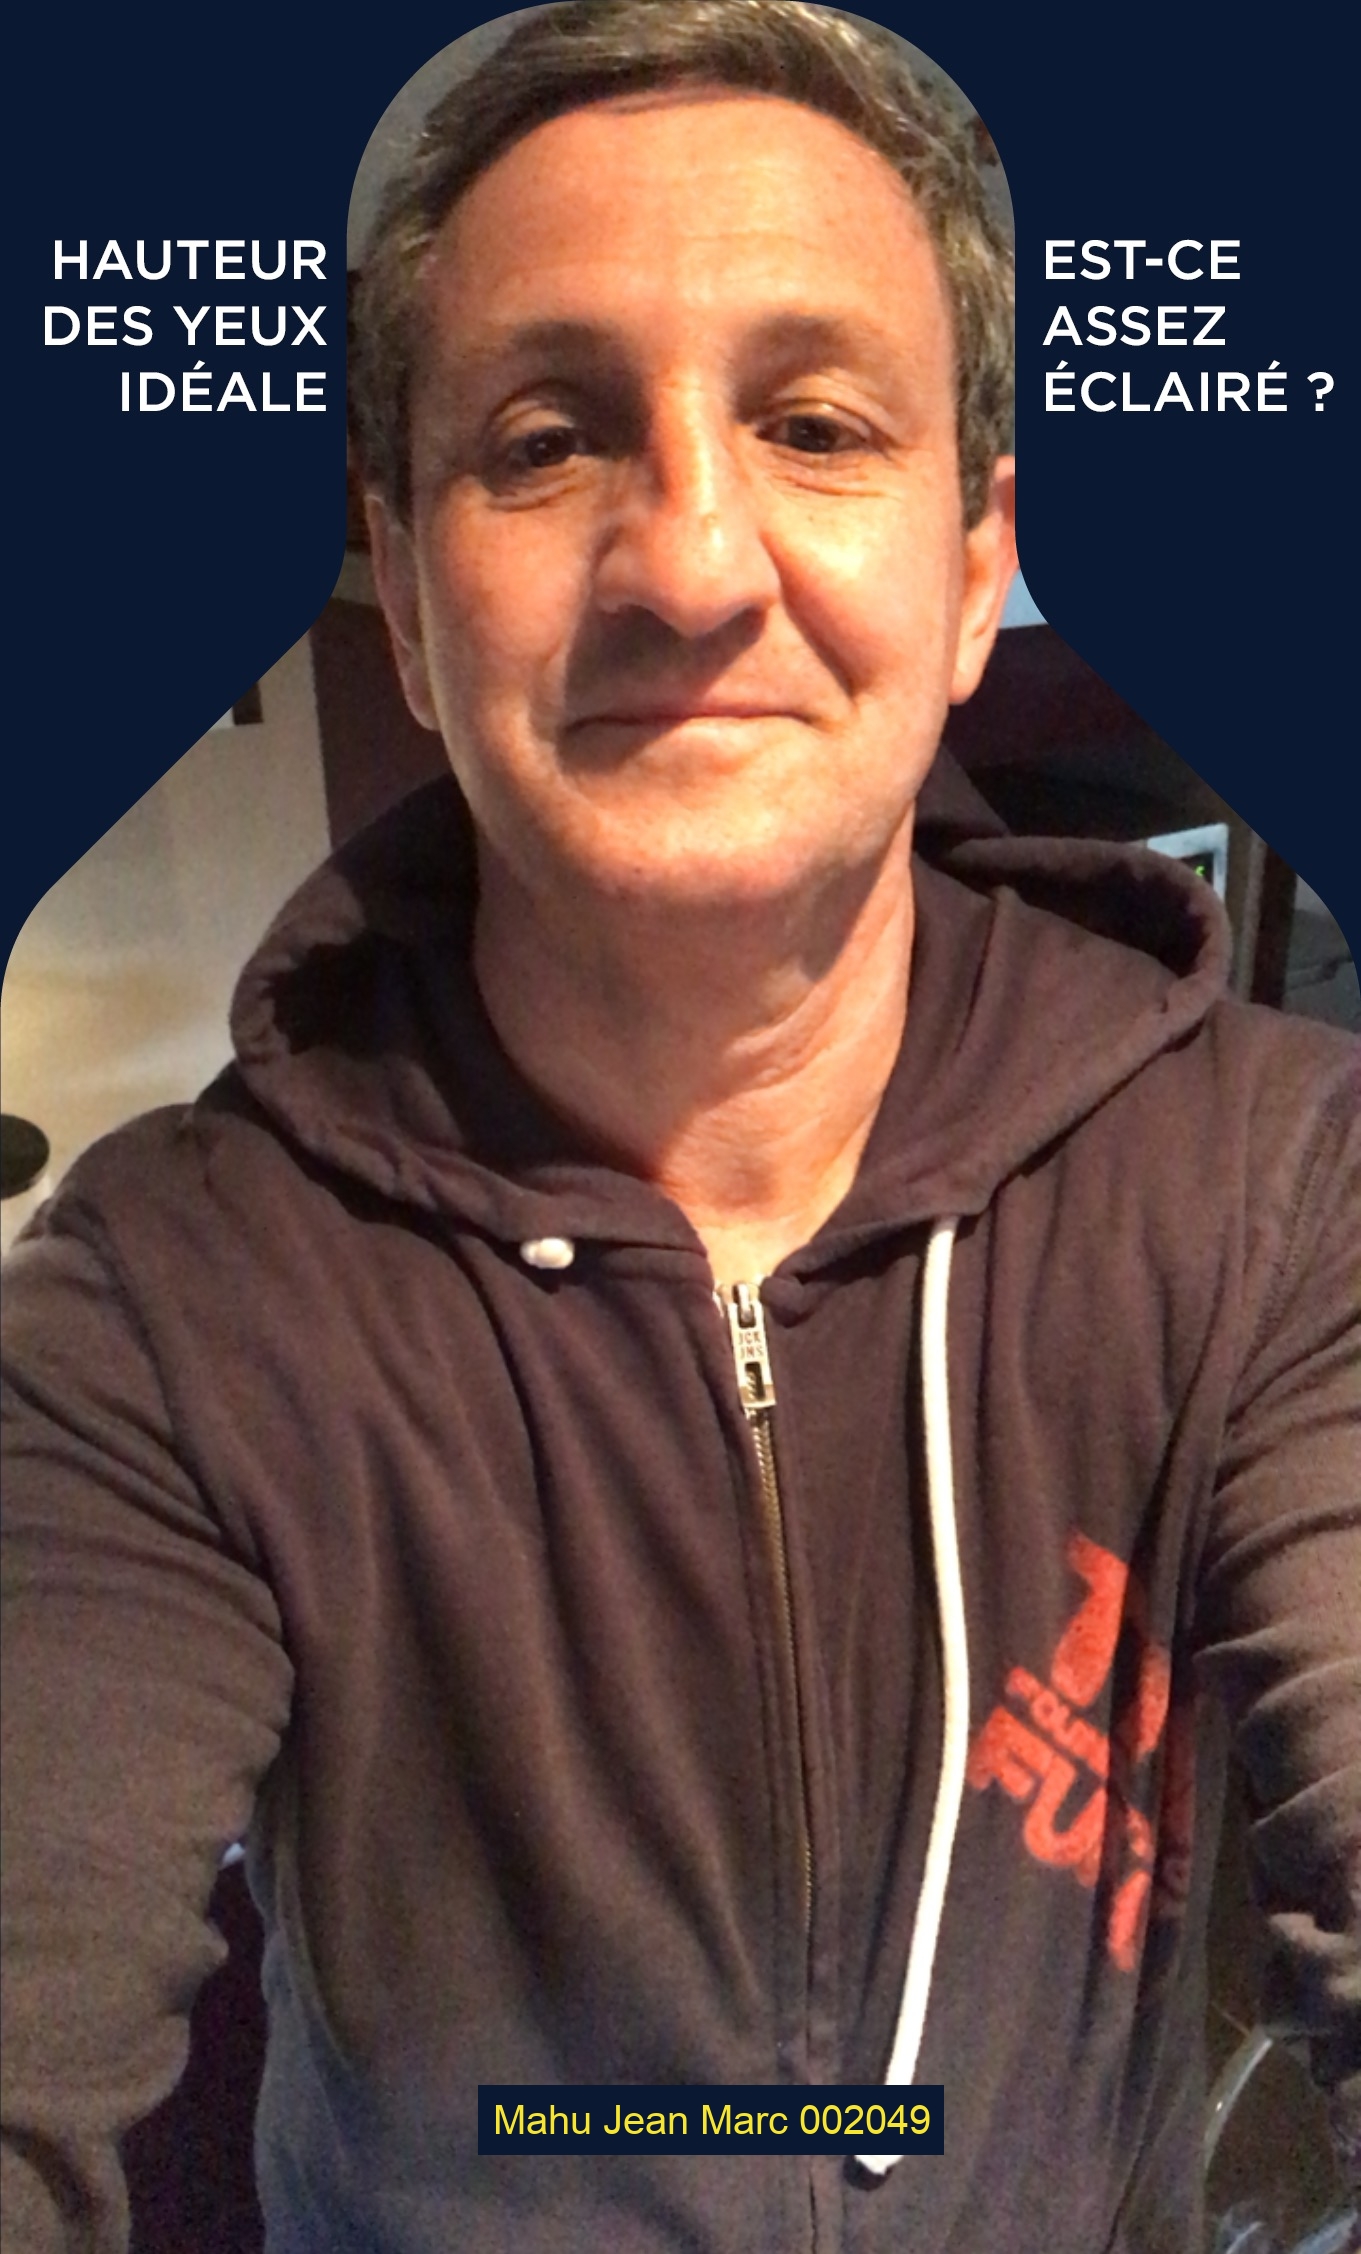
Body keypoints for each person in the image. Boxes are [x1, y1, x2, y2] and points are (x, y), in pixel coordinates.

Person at [3, 4, 1357, 2250]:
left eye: (815, 424)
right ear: (407, 601)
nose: (694, 560)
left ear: (973, 566)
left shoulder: (1282, 1186)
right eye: (546, 442)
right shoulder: (159, 1313)